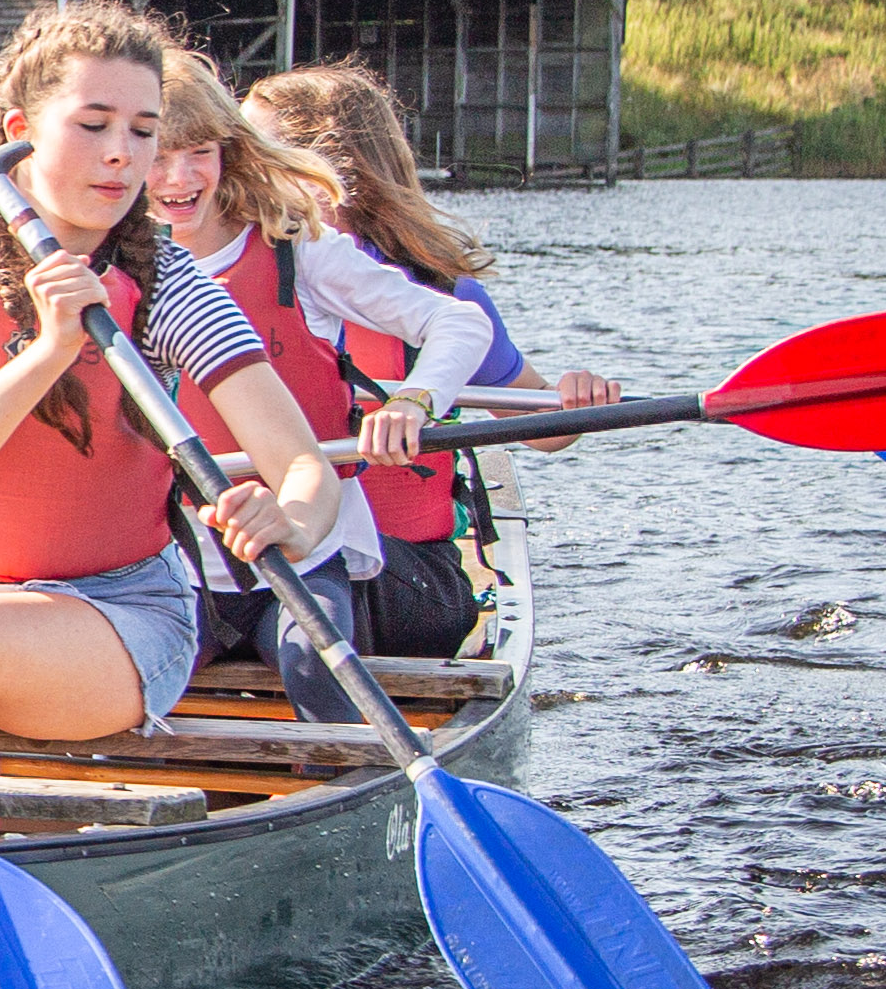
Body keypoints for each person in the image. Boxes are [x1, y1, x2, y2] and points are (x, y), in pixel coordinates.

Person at [0, 2, 342, 774]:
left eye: (143, 130)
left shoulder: (172, 284)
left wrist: (288, 519)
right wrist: (53, 347)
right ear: (18, 126)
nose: (123, 156)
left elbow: (304, 468)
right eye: (92, 124)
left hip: (120, 612)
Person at [243, 59, 620, 653]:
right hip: (277, 556)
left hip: (406, 580)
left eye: (252, 150)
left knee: (283, 572)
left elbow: (547, 432)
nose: (232, 169)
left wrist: (573, 403)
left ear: (321, 173)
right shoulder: (234, 275)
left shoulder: (441, 297)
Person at [143, 49, 483, 701]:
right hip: (174, 560)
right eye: (157, 154)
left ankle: (348, 789)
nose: (178, 177)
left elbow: (460, 326)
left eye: (199, 152)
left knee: (312, 662)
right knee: (137, 680)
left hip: (305, 550)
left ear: (229, 151)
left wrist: (412, 401)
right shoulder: (111, 260)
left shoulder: (296, 247)